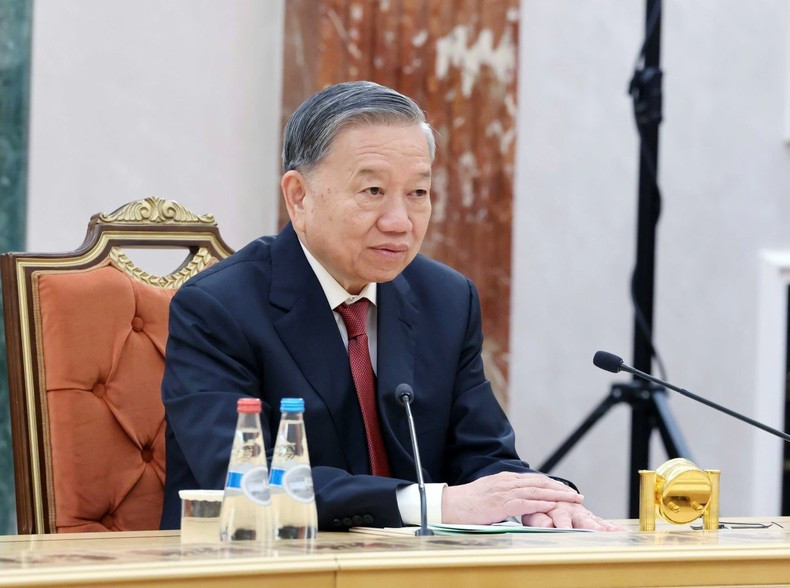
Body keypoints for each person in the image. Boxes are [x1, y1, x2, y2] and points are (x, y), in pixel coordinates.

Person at [160, 81, 619, 532]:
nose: (400, 222)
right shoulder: (218, 308)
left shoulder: (447, 299)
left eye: (418, 193)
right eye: (373, 192)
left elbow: (482, 453)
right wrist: (432, 503)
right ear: (299, 196)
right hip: (263, 563)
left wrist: (535, 502)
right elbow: (246, 481)